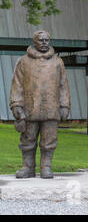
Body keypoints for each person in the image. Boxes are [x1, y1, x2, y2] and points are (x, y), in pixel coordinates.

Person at [10, 30, 70, 179]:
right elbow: (17, 84)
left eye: (46, 40)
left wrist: (65, 105)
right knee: (27, 140)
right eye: (41, 40)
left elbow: (63, 85)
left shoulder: (57, 62)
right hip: (30, 108)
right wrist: (17, 104)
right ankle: (28, 167)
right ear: (34, 41)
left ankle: (46, 167)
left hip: (51, 108)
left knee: (49, 140)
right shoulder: (23, 61)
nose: (44, 43)